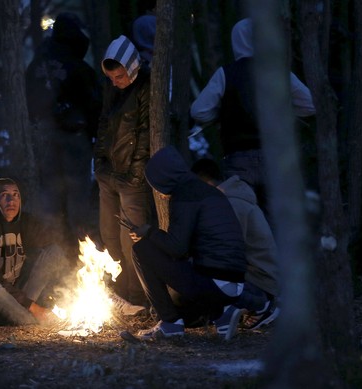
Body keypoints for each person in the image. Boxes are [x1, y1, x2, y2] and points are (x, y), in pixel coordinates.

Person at [189, 18, 315, 219]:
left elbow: (198, 111)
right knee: (276, 223)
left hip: (238, 159)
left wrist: (223, 112)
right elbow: (309, 104)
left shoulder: (226, 74)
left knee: (243, 222)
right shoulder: (277, 72)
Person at [127, 146, 247, 339]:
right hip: (234, 284)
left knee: (142, 249)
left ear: (163, 177)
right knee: (185, 313)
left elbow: (177, 248)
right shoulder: (207, 191)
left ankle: (170, 323)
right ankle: (223, 314)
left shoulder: (184, 196)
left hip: (215, 283)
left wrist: (148, 232)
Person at [25, 12, 101, 256]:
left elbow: (28, 100)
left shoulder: (36, 65)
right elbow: (94, 103)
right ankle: (75, 249)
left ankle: (54, 250)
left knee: (50, 195)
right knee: (76, 197)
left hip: (44, 137)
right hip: (74, 140)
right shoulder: (79, 69)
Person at [93, 35, 152, 313]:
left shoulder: (146, 87)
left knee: (132, 242)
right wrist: (99, 164)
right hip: (109, 174)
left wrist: (137, 172)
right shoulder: (111, 89)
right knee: (109, 235)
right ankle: (121, 294)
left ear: (131, 69)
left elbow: (145, 132)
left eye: (119, 76)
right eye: (111, 77)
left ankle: (138, 296)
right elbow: (104, 124)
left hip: (131, 177)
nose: (115, 81)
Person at [192, 158, 280, 340]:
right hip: (256, 275)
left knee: (206, 277)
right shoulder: (230, 198)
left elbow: (227, 250)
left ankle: (261, 305)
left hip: (261, 280)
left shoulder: (232, 204)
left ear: (206, 183)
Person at [0, 178, 69, 325]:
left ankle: (20, 315)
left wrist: (84, 263)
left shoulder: (26, 222)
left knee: (54, 252)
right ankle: (29, 321)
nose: (11, 200)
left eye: (15, 195)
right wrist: (34, 307)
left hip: (17, 295)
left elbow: (54, 242)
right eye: (4, 195)